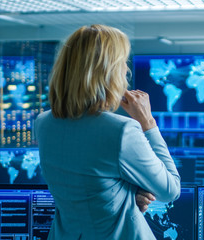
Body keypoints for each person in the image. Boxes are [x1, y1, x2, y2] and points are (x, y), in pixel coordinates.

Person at [34, 24, 181, 240]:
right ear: (107, 72)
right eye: (122, 63)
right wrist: (147, 122)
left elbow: (90, 186)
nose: (126, 71)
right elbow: (170, 190)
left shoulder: (43, 124)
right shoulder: (122, 131)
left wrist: (128, 195)